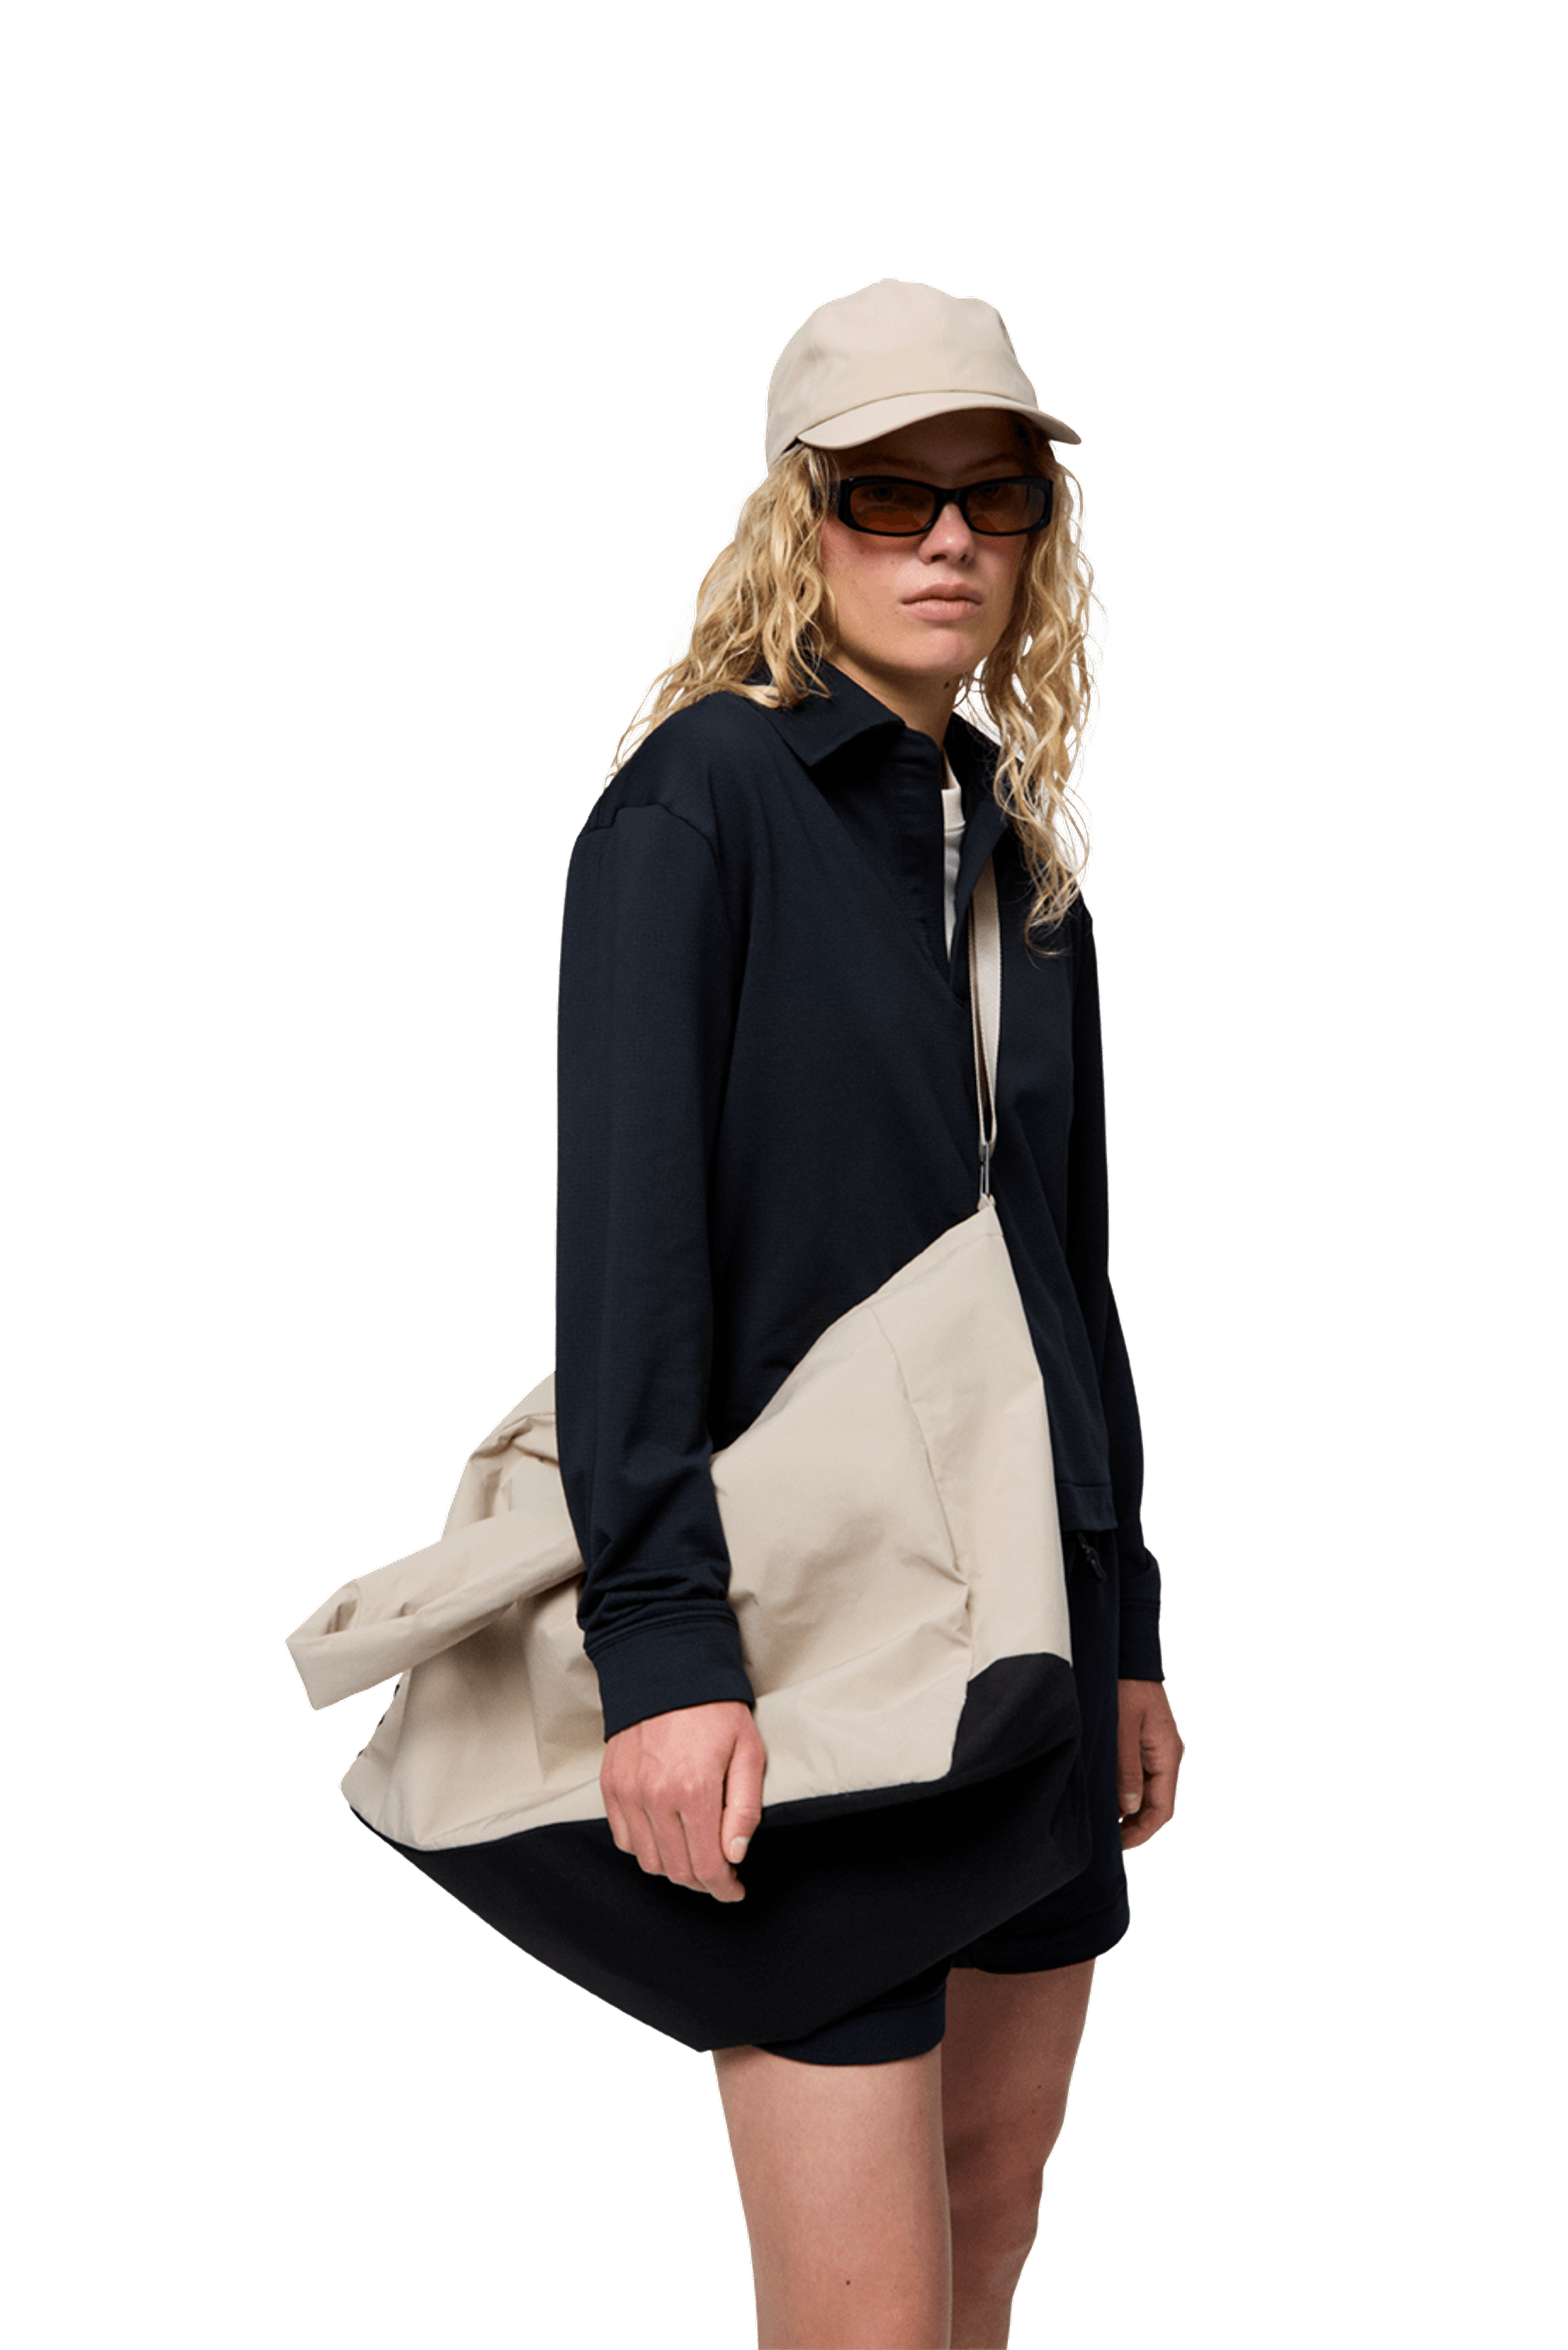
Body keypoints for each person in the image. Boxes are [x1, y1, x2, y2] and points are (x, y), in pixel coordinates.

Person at [553, 277, 1186, 2350]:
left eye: (992, 496)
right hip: (806, 1646)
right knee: (867, 2323)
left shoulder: (1020, 861)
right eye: (886, 494)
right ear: (798, 519)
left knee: (984, 2235)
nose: (945, 541)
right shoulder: (698, 804)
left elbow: (1066, 1276)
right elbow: (630, 1257)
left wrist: (1124, 1630)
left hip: (1031, 1641)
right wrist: (662, 1658)